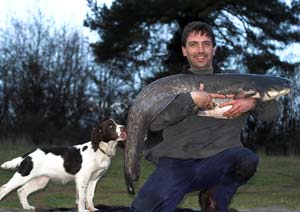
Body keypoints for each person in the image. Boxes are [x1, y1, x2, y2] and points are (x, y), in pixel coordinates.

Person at [130, 21, 279, 212]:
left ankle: (213, 196)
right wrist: (191, 101)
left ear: (214, 49)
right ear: (184, 50)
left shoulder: (239, 84)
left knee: (246, 160)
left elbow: (271, 114)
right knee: (143, 209)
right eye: (193, 44)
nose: (200, 50)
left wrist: (253, 102)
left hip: (220, 160)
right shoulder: (168, 87)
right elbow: (154, 123)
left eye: (206, 44)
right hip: (176, 163)